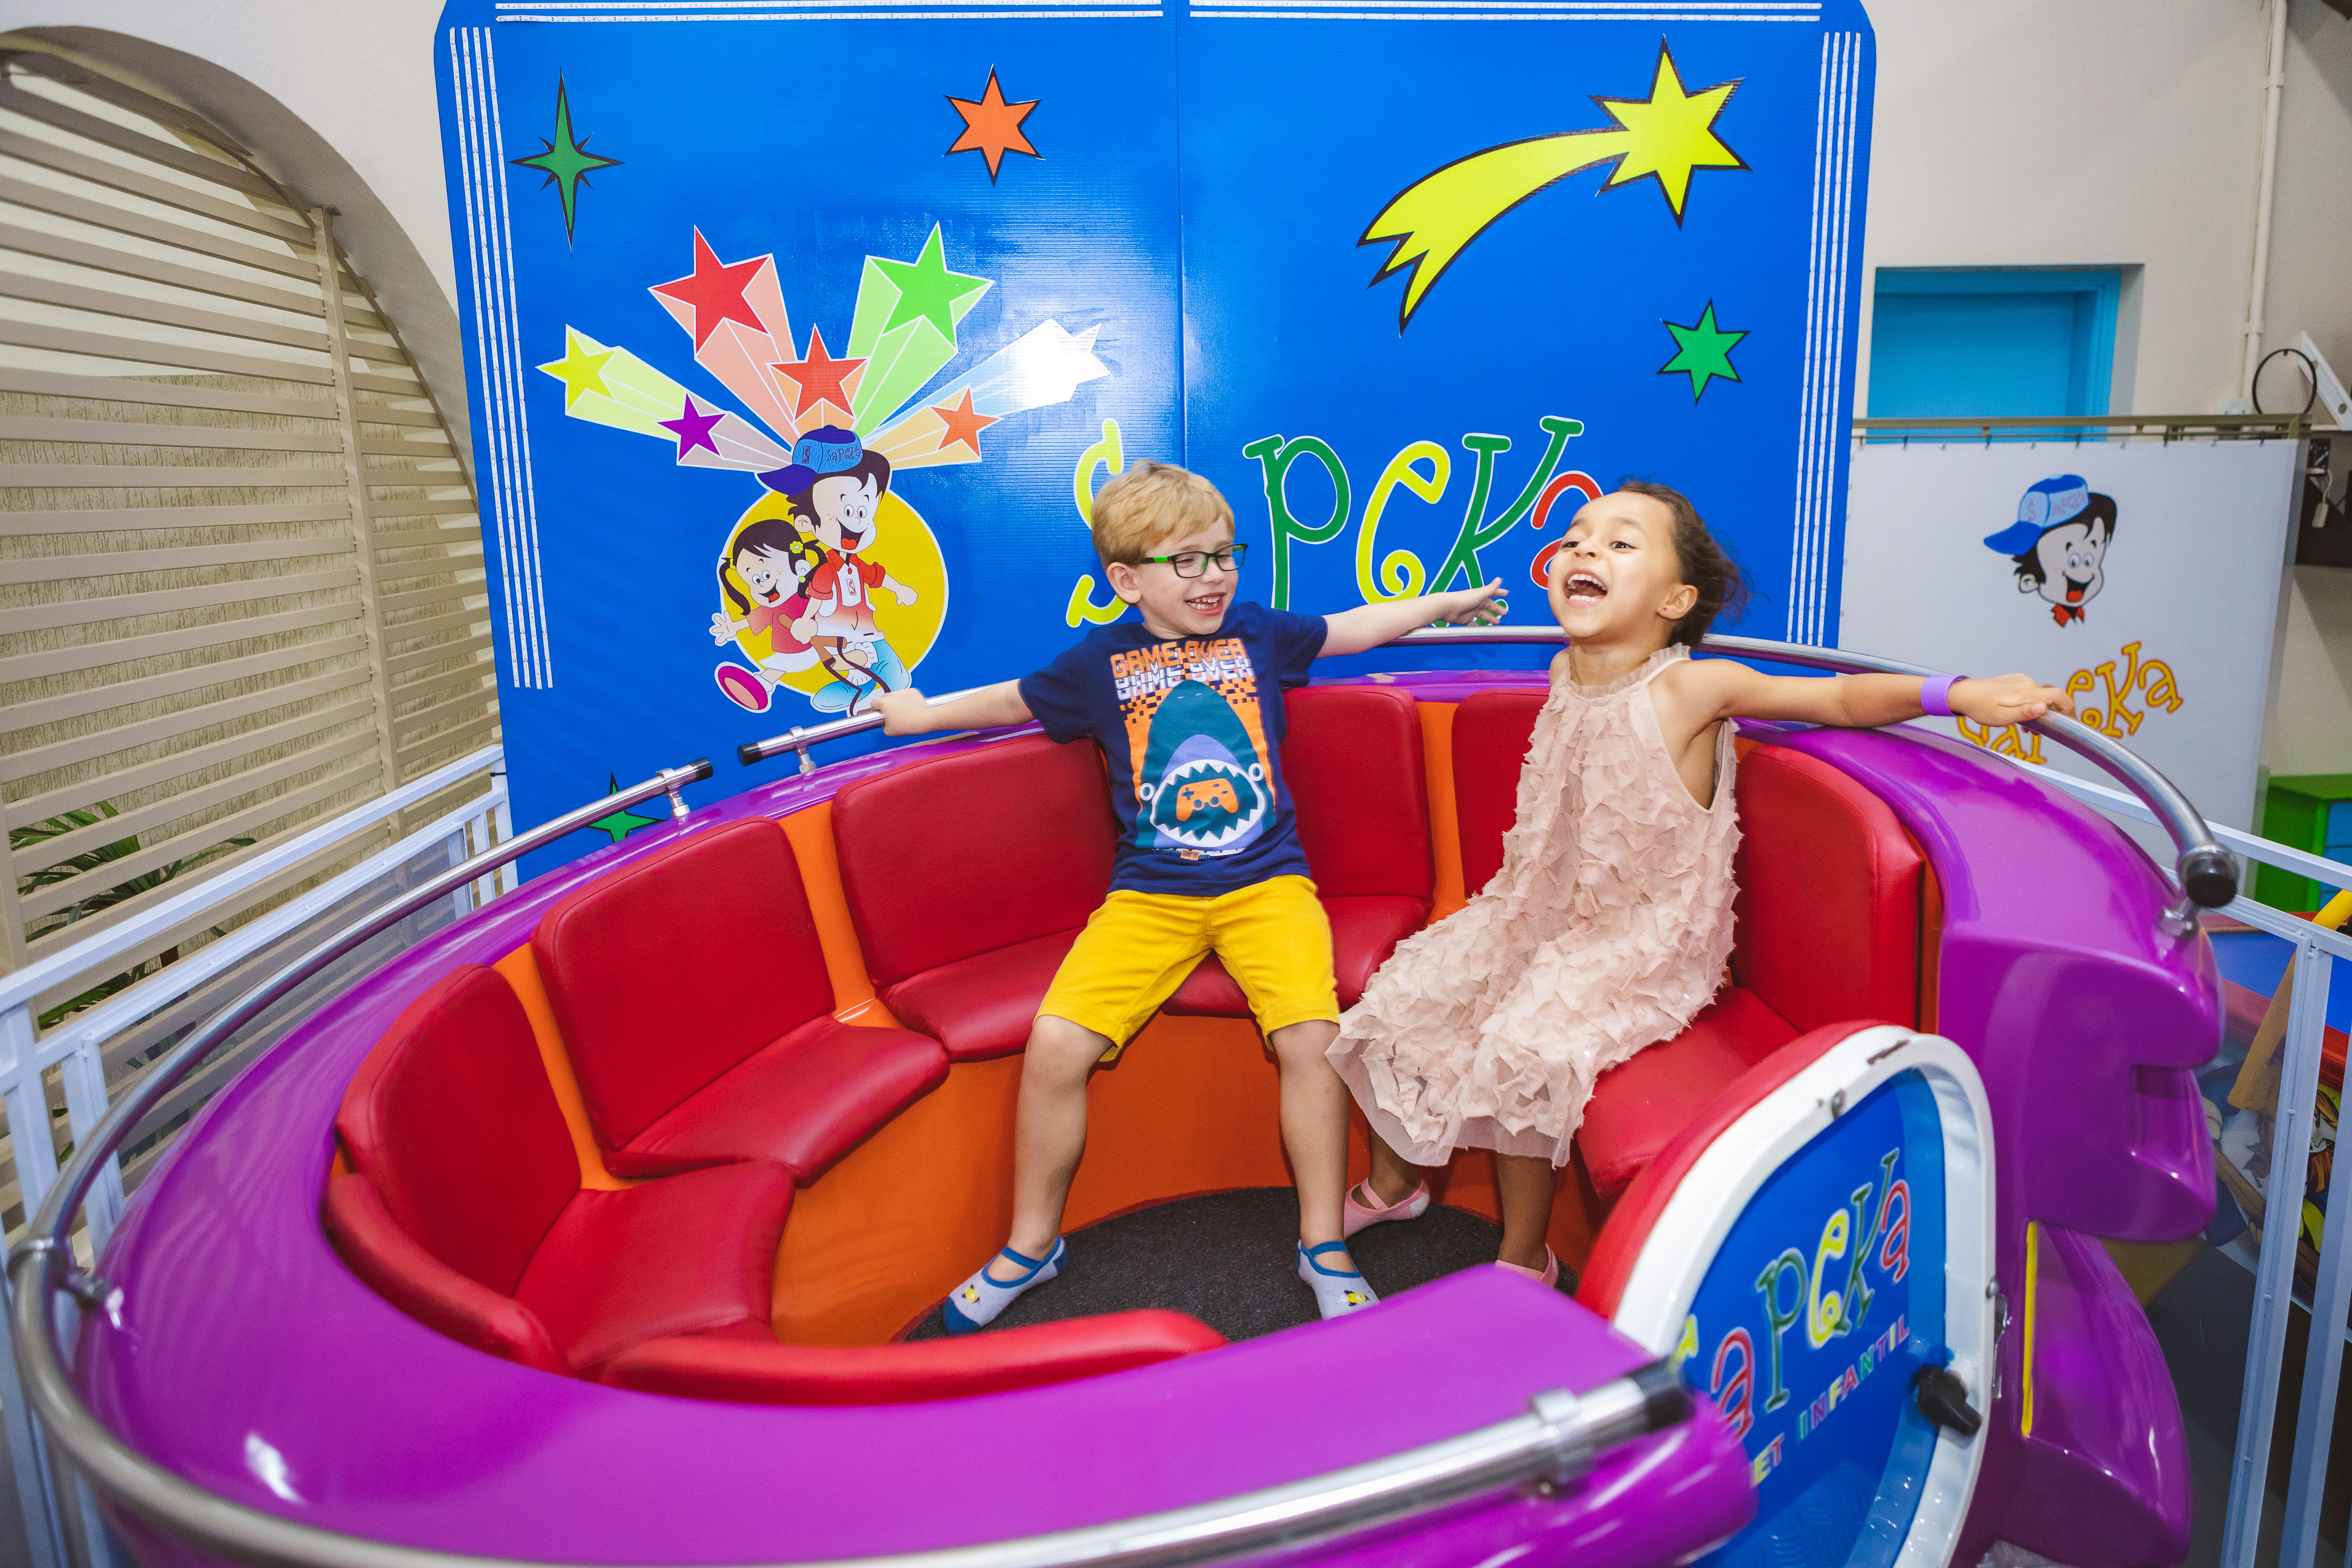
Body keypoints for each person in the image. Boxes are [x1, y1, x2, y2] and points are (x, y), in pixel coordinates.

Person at [1330, 480, 2073, 1284]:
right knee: (1403, 1001)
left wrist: (1956, 695)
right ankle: (1396, 1186)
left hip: (1641, 941)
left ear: (1675, 599)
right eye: (1577, 536)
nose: (1585, 548)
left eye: (1621, 542)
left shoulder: (1689, 688)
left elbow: (1837, 695)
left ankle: (1524, 1259)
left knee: (1523, 1049)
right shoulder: (1565, 669)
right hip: (1535, 910)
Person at [873, 461, 1507, 1330]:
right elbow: (1012, 702)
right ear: (1126, 580)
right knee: (1055, 1044)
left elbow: (1354, 628)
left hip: (1269, 886)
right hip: (1151, 897)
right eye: (1187, 562)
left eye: (1223, 556)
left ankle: (1323, 1243)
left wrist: (1447, 604)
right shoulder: (1098, 663)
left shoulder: (1257, 634)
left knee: (1312, 1039)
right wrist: (916, 714)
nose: (1213, 577)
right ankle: (1032, 1243)